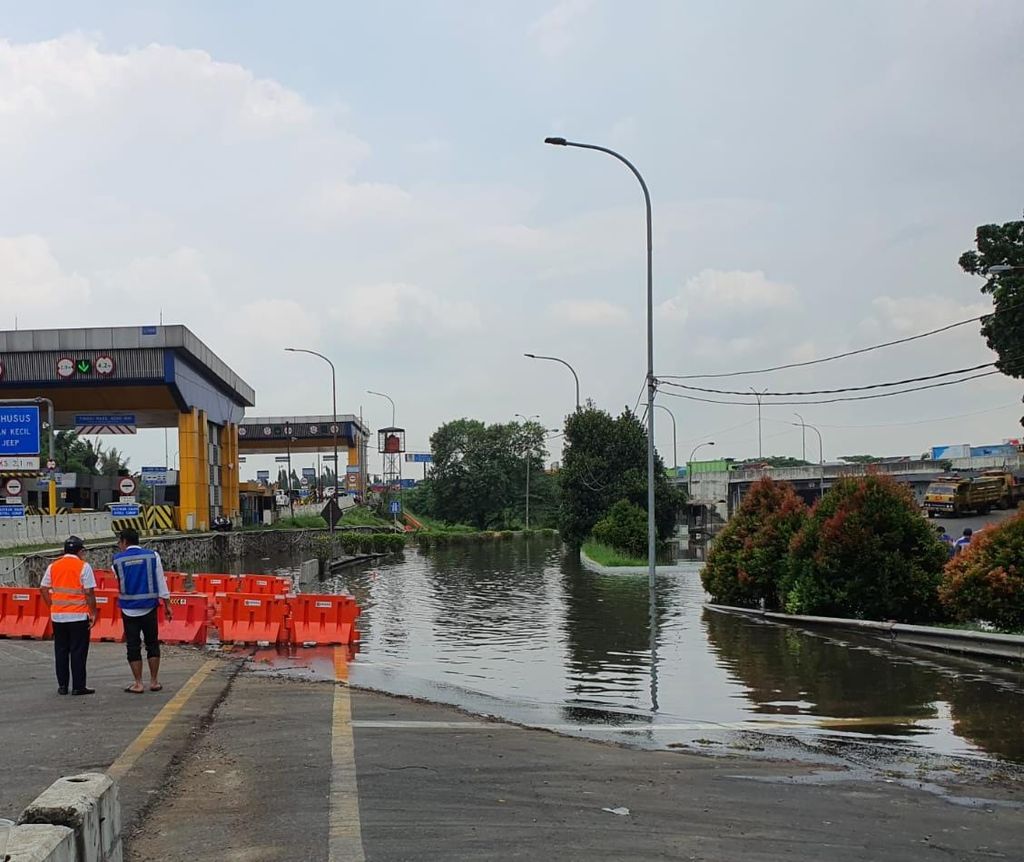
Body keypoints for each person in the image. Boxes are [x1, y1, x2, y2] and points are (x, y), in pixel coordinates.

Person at [112, 528, 172, 694]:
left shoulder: (116, 561)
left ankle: (138, 683)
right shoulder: (153, 556)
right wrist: (167, 604)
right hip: (149, 606)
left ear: (124, 542)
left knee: (133, 645)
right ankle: (154, 681)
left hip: (128, 609)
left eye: (119, 543)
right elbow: (161, 582)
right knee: (152, 643)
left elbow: (120, 580)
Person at [39, 536, 98, 696]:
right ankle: (79, 686)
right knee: (78, 651)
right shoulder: (83, 566)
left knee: (61, 651)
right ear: (80, 551)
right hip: (78, 617)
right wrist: (93, 612)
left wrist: (51, 605)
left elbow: (43, 588)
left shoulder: (53, 566)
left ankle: (63, 686)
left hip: (58, 617)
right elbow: (89, 592)